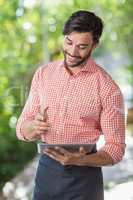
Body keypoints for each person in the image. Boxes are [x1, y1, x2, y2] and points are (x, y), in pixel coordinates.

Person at [16, 10, 125, 200]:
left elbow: (116, 148)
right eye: (69, 42)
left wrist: (82, 160)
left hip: (84, 179)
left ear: (95, 45)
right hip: (46, 174)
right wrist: (33, 126)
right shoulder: (44, 74)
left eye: (82, 46)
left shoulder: (108, 88)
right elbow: (21, 129)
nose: (73, 52)